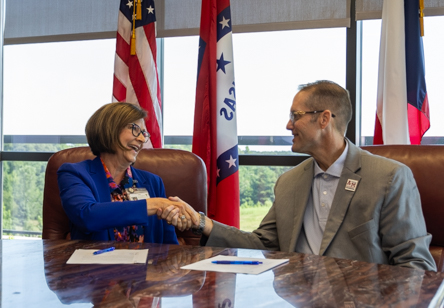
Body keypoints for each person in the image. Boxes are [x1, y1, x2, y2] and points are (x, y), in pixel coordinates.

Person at [169, 80, 436, 271]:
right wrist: (202, 222)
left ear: (324, 119)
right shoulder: (289, 182)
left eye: (295, 115)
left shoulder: (389, 178)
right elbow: (262, 243)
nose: (288, 125)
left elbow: (415, 265)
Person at [57, 102, 191, 243]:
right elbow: (87, 217)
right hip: (96, 264)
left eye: (144, 133)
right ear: (110, 128)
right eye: (135, 129)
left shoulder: (153, 182)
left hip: (148, 264)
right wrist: (156, 204)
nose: (141, 139)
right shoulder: (74, 173)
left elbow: (169, 244)